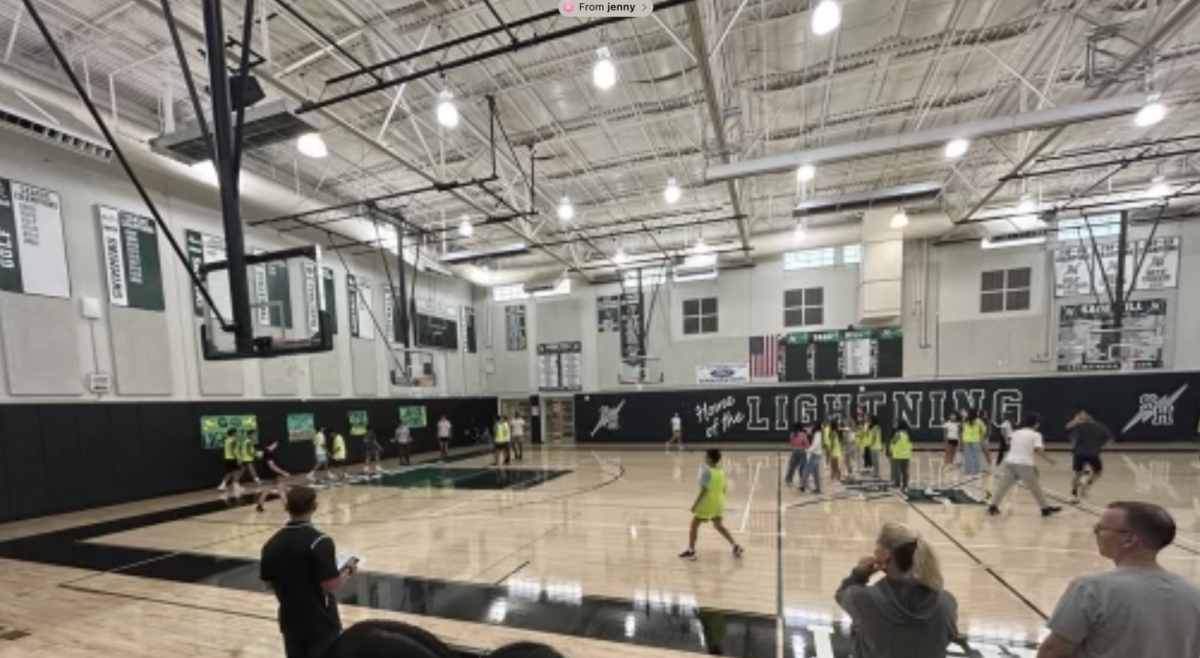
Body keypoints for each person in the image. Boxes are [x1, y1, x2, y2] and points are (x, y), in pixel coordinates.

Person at [1037, 502, 1200, 658]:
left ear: (1129, 540)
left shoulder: (1092, 588)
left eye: (1099, 528)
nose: (1095, 533)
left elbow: (1053, 652)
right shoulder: (1193, 594)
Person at [835, 522, 958, 658]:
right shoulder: (947, 602)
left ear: (887, 556)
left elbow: (841, 595)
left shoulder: (864, 599)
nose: (874, 552)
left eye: (877, 547)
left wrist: (858, 575)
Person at [260, 486, 357, 658]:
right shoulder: (320, 541)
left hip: (290, 620)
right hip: (320, 622)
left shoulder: (271, 544)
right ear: (315, 506)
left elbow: (269, 584)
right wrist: (348, 569)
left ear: (287, 507)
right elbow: (331, 585)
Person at [986, 414, 1062, 517]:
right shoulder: (1036, 435)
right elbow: (1038, 449)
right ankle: (1045, 509)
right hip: (1025, 464)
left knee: (1003, 486)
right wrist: (1050, 460)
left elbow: (1011, 444)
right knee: (1035, 487)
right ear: (1036, 424)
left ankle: (993, 507)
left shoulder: (1016, 433)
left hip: (1010, 462)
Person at [678, 448, 744, 561]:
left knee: (694, 524)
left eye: (706, 456)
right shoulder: (721, 471)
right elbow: (724, 489)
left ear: (709, 459)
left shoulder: (706, 472)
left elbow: (704, 491)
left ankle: (691, 551)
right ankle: (735, 546)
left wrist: (695, 505)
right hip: (718, 503)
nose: (704, 458)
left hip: (707, 503)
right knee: (718, 525)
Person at [1066, 409, 1114, 504]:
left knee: (1077, 474)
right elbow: (1110, 440)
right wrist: (1100, 446)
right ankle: (1087, 483)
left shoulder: (1080, 427)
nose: (1082, 417)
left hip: (1079, 453)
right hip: (1093, 453)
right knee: (1098, 472)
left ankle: (1074, 494)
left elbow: (1073, 439)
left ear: (1090, 416)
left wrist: (1077, 444)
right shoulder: (1101, 427)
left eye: (1084, 415)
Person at [256, 439, 291, 513]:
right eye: (275, 443)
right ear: (272, 444)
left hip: (269, 474)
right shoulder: (268, 453)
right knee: (268, 490)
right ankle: (259, 505)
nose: (276, 445)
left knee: (279, 489)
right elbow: (272, 466)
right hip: (271, 475)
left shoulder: (265, 452)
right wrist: (283, 472)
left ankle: (286, 506)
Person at [960, 409, 986, 477]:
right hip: (976, 440)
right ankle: (976, 472)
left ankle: (968, 472)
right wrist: (982, 440)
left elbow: (962, 429)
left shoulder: (966, 420)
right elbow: (983, 430)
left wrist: (962, 440)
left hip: (966, 440)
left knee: (968, 456)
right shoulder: (979, 421)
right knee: (976, 456)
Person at [783, 422, 810, 488]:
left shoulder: (792, 434)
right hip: (802, 451)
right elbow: (807, 444)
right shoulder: (803, 434)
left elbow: (792, 444)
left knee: (792, 467)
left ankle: (788, 480)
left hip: (794, 451)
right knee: (802, 467)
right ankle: (803, 480)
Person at [800, 422, 823, 494]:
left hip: (815, 455)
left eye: (813, 426)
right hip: (818, 455)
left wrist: (808, 450)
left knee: (806, 471)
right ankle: (818, 489)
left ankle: (803, 486)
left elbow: (816, 445)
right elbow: (809, 431)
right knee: (816, 473)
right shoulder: (819, 434)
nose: (812, 427)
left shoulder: (817, 435)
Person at [890, 420, 913, 491]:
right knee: (905, 471)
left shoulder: (898, 434)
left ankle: (897, 484)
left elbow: (892, 443)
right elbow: (910, 444)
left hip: (897, 455)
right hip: (906, 455)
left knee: (897, 471)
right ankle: (905, 485)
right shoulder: (908, 434)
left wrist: (892, 451)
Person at [820, 417, 843, 482]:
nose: (829, 424)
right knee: (833, 465)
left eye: (830, 424)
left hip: (834, 450)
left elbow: (833, 443)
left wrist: (830, 451)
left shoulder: (833, 433)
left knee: (834, 465)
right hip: (835, 449)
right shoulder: (835, 432)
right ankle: (833, 478)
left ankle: (836, 477)